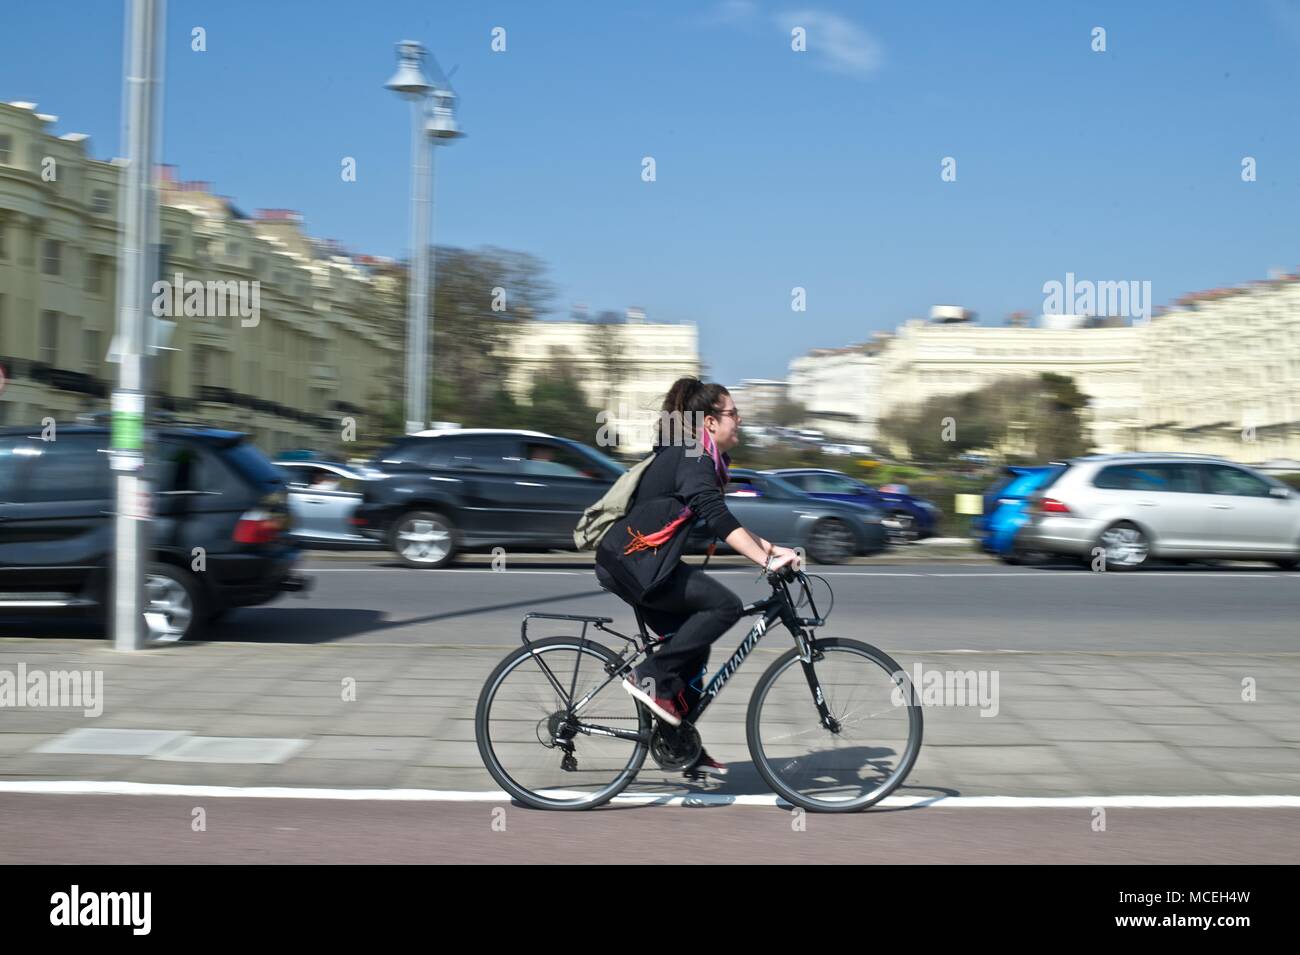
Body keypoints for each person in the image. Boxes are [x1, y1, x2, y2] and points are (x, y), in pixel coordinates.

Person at [594, 377, 801, 777]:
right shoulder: (693, 456)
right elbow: (718, 517)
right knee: (724, 607)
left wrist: (773, 549)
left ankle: (677, 740)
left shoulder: (697, 456)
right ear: (709, 422)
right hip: (637, 566)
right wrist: (763, 561)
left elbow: (721, 516)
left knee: (694, 643)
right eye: (733, 413)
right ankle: (649, 676)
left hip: (638, 563)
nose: (739, 420)